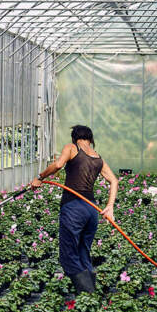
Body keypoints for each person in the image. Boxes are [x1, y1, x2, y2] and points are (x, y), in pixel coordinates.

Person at [32, 125, 116, 292]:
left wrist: (40, 177)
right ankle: (91, 296)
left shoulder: (72, 148)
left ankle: (87, 295)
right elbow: (114, 180)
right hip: (91, 211)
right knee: (83, 252)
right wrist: (110, 206)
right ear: (91, 139)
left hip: (73, 207)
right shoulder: (98, 158)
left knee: (68, 256)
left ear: (74, 138)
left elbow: (57, 165)